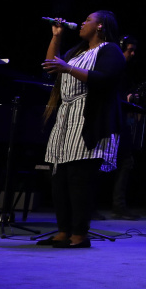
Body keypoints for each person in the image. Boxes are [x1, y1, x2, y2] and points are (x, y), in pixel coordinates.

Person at [39, 12, 127, 249]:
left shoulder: (110, 50)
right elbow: (51, 65)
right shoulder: (77, 52)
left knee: (79, 180)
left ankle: (79, 234)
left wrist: (67, 68)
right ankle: (63, 231)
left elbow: (105, 78)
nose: (82, 23)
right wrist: (56, 37)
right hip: (66, 117)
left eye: (88, 20)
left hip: (89, 117)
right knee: (60, 179)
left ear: (100, 26)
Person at [109, 34, 146, 220]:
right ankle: (93, 206)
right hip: (108, 122)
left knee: (125, 161)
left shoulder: (124, 72)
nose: (132, 54)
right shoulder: (112, 68)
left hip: (119, 121)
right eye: (129, 50)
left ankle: (119, 206)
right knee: (99, 162)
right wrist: (127, 98)